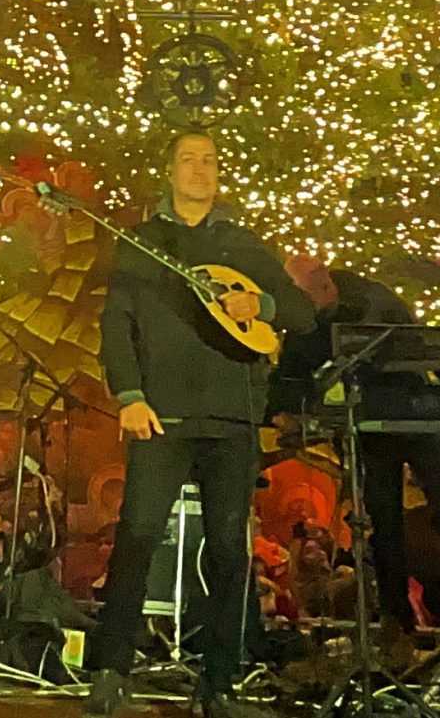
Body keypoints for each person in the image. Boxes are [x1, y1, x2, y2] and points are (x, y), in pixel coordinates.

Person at [86, 129, 314, 718]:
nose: (200, 169)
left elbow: (301, 311)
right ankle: (111, 672)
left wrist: (257, 306)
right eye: (188, 159)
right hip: (161, 415)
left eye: (210, 160)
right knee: (135, 539)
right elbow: (117, 325)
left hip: (233, 418)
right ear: (169, 171)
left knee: (229, 554)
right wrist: (130, 394)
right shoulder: (141, 242)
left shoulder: (243, 244)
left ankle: (218, 685)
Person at [274, 254, 440, 645]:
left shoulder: (371, 297)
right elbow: (292, 370)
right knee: (383, 522)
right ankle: (395, 618)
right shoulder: (306, 321)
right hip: (370, 425)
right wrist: (287, 407)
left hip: (414, 413)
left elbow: (404, 345)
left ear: (324, 281)